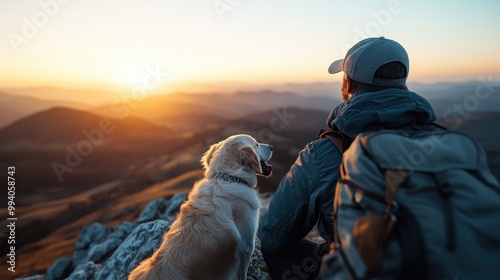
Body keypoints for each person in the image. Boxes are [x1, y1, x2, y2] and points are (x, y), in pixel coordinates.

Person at [258, 36, 438, 280]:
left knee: (277, 251)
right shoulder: (442, 142)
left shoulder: (323, 153)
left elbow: (273, 235)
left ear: (349, 83)